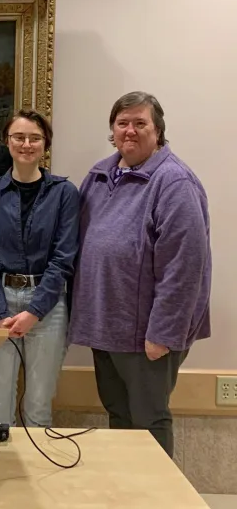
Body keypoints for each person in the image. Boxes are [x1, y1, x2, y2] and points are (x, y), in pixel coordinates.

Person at [69, 91, 211, 457]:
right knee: (119, 415)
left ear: (158, 130)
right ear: (112, 130)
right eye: (122, 123)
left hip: (148, 335)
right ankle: (126, 493)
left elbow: (185, 268)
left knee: (149, 419)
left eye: (140, 123)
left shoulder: (174, 183)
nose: (129, 131)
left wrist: (163, 333)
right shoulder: (100, 176)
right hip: (106, 326)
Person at [0, 110, 79, 427]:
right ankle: (3, 475)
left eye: (35, 138)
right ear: (7, 141)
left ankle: (36, 476)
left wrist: (34, 311)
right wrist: (0, 312)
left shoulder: (64, 194)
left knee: (38, 406)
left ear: (45, 144)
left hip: (47, 305)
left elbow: (63, 258)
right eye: (19, 137)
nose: (27, 144)